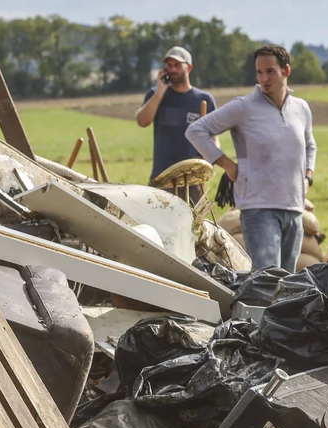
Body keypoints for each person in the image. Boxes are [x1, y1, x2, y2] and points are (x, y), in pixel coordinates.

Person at [186, 44, 317, 271]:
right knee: (267, 280)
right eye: (259, 72)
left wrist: (308, 177)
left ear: (286, 71)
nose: (263, 78)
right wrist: (228, 166)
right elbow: (196, 131)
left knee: (290, 284)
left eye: (270, 71)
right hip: (258, 207)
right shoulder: (244, 107)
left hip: (294, 206)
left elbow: (309, 145)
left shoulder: (301, 108)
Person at [135, 46, 217, 203]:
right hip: (162, 177)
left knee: (193, 225)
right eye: (169, 65)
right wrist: (160, 91)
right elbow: (142, 121)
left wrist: (209, 161)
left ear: (190, 67)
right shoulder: (156, 94)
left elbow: (213, 138)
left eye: (177, 65)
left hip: (193, 180)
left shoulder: (204, 99)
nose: (172, 69)